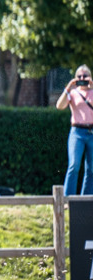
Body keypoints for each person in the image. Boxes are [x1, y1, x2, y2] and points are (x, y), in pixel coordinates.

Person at [56, 64, 93, 196]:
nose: (82, 78)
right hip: (77, 132)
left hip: (91, 132)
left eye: (85, 76)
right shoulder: (73, 92)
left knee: (91, 169)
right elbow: (59, 106)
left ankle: (87, 199)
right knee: (74, 165)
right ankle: (67, 198)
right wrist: (69, 86)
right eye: (79, 76)